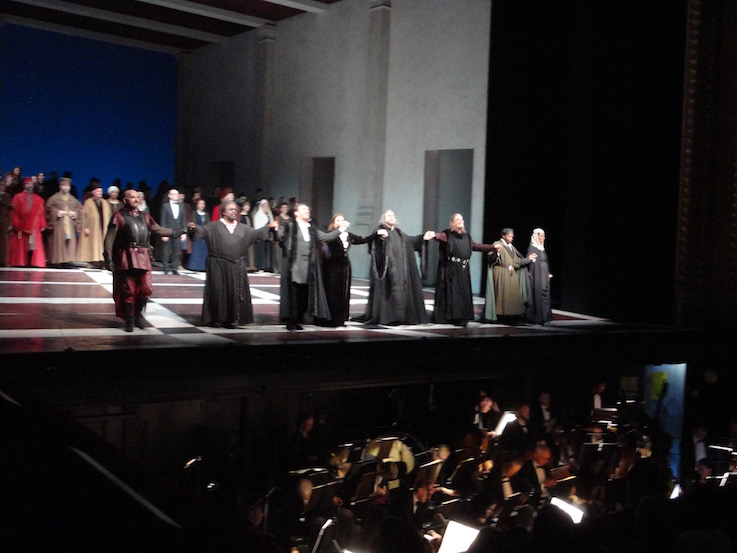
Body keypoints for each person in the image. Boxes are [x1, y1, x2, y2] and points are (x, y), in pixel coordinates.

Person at [188, 200, 278, 327]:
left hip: (236, 266)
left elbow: (256, 234)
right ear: (223, 212)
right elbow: (200, 231)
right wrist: (193, 228)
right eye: (230, 209)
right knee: (218, 291)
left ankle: (232, 319)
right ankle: (217, 318)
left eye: (235, 209)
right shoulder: (213, 227)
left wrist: (268, 227)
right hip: (218, 265)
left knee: (235, 293)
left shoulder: (243, 228)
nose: (234, 211)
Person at [104, 189, 173, 332]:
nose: (136, 199)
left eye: (137, 197)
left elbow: (159, 230)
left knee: (146, 289)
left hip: (143, 256)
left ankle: (138, 314)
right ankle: (129, 318)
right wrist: (108, 258)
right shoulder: (118, 216)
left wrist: (180, 231)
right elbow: (109, 238)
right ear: (125, 200)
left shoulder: (145, 216)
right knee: (128, 290)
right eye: (132, 197)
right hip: (126, 256)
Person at [278, 203, 348, 330]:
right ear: (296, 213)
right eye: (303, 209)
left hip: (308, 264)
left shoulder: (311, 229)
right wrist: (276, 230)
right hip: (294, 263)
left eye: (308, 209)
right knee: (293, 292)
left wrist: (340, 229)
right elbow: (280, 236)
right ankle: (291, 320)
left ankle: (299, 319)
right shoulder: (290, 226)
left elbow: (326, 237)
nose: (307, 211)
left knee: (303, 293)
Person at [359, 210, 434, 325]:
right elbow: (372, 245)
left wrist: (423, 237)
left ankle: (400, 316)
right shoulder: (380, 231)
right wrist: (380, 237)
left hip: (401, 272)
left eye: (393, 215)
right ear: (383, 219)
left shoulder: (400, 234)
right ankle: (388, 317)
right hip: (386, 272)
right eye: (388, 215)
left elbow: (411, 242)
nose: (392, 217)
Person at [427, 213, 495, 326]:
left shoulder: (467, 237)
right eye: (458, 219)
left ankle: (462, 316)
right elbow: (439, 236)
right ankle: (452, 317)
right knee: (454, 293)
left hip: (463, 269)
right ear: (452, 223)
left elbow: (475, 246)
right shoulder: (448, 234)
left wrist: (492, 248)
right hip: (452, 269)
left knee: (463, 293)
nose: (461, 221)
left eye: (462, 219)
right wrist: (433, 234)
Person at [318, 213, 382, 327]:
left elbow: (363, 239)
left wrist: (376, 234)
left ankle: (340, 318)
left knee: (343, 291)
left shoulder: (348, 235)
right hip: (332, 266)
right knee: (332, 292)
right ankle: (330, 318)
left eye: (342, 220)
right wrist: (339, 231)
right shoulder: (330, 234)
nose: (341, 222)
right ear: (333, 223)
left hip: (345, 266)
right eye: (338, 220)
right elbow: (326, 247)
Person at [484, 228, 536, 323]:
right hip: (501, 272)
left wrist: (528, 259)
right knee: (503, 295)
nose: (511, 238)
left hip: (511, 273)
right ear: (503, 236)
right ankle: (502, 316)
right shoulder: (498, 244)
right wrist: (497, 252)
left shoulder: (511, 247)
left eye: (512, 237)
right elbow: (491, 259)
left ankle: (513, 316)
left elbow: (516, 261)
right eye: (509, 236)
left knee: (513, 296)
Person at [9, 177, 46, 267]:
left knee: (34, 244)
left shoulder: (38, 199)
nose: (30, 186)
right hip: (21, 224)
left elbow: (41, 213)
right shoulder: (17, 197)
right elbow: (14, 212)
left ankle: (35, 262)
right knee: (21, 244)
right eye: (28, 184)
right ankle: (20, 262)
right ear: (24, 185)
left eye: (31, 184)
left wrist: (42, 224)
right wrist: (15, 223)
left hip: (35, 224)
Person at [44, 176, 82, 267]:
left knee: (69, 242)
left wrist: (75, 213)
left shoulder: (73, 199)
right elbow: (48, 209)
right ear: (60, 186)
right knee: (59, 242)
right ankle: (58, 260)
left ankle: (68, 260)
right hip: (59, 223)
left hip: (69, 223)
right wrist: (57, 212)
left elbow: (80, 210)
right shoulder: (54, 198)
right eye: (64, 186)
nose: (66, 188)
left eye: (68, 186)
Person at [77, 181, 112, 268]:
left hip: (104, 226)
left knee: (104, 243)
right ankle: (94, 261)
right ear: (93, 192)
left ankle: (103, 261)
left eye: (101, 191)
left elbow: (109, 214)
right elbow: (84, 215)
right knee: (93, 244)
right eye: (98, 191)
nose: (100, 193)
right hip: (93, 227)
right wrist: (86, 226)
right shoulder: (88, 202)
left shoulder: (105, 203)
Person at [525, 228, 553, 325]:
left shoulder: (541, 248)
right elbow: (531, 265)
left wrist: (547, 273)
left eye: (544, 236)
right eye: (541, 236)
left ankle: (545, 316)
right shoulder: (533, 248)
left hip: (544, 275)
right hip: (537, 276)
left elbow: (545, 261)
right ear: (536, 237)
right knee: (538, 294)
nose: (543, 238)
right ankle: (538, 317)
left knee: (545, 294)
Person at [159, 187, 187, 274]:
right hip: (168, 231)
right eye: (174, 194)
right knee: (166, 250)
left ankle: (175, 268)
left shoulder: (181, 206)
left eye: (177, 194)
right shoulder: (165, 206)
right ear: (169, 195)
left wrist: (184, 232)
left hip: (178, 231)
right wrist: (163, 233)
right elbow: (163, 220)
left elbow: (183, 220)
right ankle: (165, 268)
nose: (176, 196)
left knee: (176, 250)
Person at [186, 199, 209, 271]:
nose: (202, 205)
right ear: (197, 205)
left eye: (203, 204)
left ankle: (203, 267)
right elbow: (192, 223)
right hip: (196, 234)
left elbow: (208, 224)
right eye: (200, 204)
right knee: (196, 251)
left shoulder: (206, 214)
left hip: (204, 234)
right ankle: (194, 266)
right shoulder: (194, 213)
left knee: (204, 251)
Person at [253, 199, 274, 272]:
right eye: (264, 206)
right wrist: (268, 226)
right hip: (260, 238)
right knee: (261, 253)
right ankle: (261, 267)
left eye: (267, 206)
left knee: (268, 253)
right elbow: (258, 229)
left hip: (268, 238)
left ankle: (268, 267)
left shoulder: (270, 216)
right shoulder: (258, 216)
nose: (266, 208)